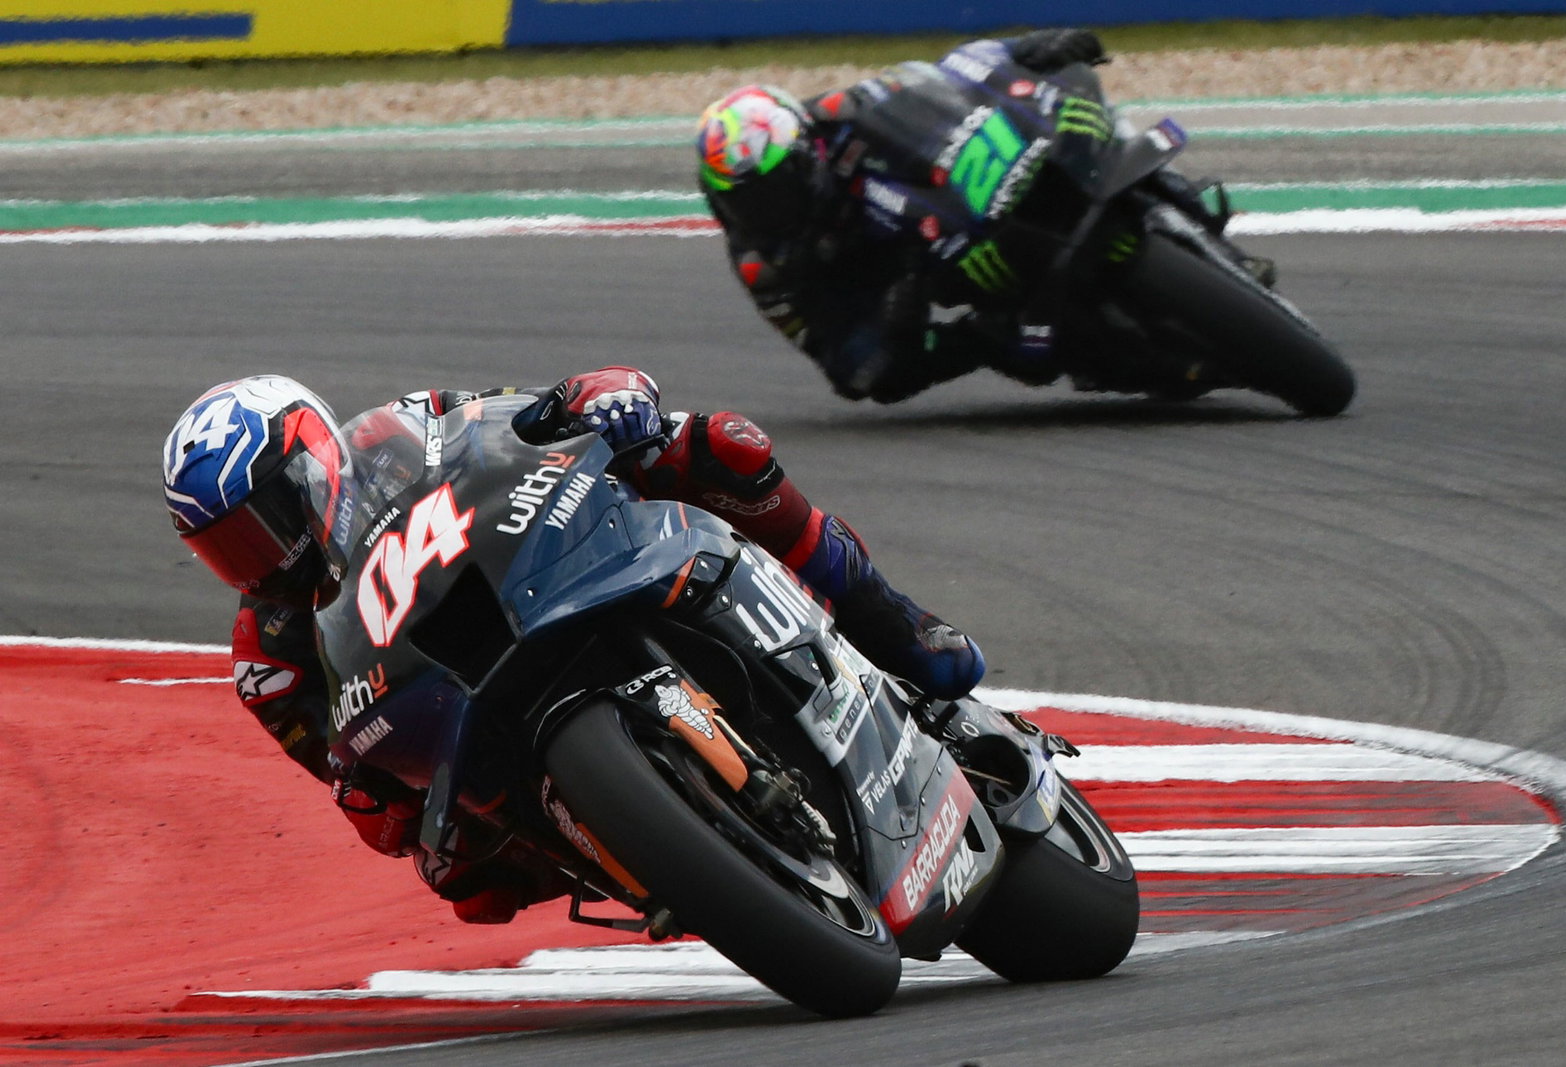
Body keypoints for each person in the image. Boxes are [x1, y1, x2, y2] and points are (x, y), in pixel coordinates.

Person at [161, 367, 984, 923]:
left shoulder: (398, 431)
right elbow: (348, 774)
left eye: (266, 521)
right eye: (229, 548)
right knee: (462, 881)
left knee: (711, 443)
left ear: (314, 461)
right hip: (454, 709)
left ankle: (892, 621)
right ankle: (667, 854)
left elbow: (522, 418)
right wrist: (372, 802)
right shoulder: (269, 657)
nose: (263, 559)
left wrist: (599, 397)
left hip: (539, 572)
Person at [695, 28, 1267, 404]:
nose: (765, 209)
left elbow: (956, 74)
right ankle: (1131, 356)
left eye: (774, 189)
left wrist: (1030, 50)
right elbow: (853, 372)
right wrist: (902, 324)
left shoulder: (844, 112)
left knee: (1092, 132)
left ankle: (1189, 213)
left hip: (984, 195)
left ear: (807, 154)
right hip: (938, 280)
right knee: (1025, 352)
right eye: (747, 200)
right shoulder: (764, 264)